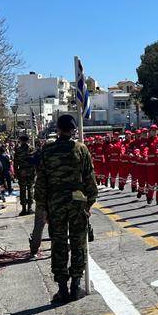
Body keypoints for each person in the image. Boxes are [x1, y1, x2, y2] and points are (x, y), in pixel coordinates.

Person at [34, 114, 97, 303]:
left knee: (59, 244)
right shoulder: (81, 149)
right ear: (73, 130)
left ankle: (62, 288)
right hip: (77, 202)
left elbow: (41, 180)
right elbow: (89, 179)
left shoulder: (48, 150)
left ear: (58, 129)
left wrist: (43, 207)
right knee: (79, 244)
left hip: (55, 202)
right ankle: (75, 286)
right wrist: (89, 203)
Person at [13, 132, 36, 215]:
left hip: (21, 171)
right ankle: (29, 208)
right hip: (30, 171)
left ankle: (23, 209)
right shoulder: (31, 148)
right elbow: (34, 161)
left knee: (22, 190)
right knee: (30, 189)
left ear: (20, 141)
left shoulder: (18, 150)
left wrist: (15, 173)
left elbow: (15, 163)